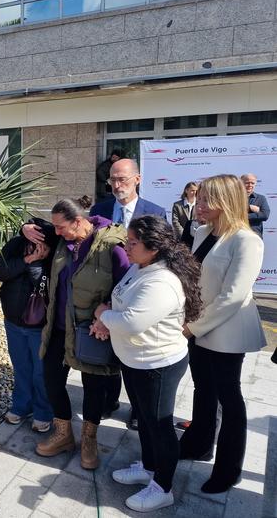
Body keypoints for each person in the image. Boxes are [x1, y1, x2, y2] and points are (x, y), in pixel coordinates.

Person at [93, 216, 203, 512]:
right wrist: (108, 319)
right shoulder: (140, 266)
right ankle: (150, 467)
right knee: (144, 419)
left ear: (153, 247)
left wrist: (103, 315)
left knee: (160, 426)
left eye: (132, 243)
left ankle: (162, 487)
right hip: (136, 361)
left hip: (157, 365)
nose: (125, 247)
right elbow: (123, 304)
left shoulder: (162, 281)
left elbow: (131, 322)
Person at [178, 174, 266, 494]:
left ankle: (229, 470)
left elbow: (233, 296)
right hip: (199, 328)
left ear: (225, 202)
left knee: (229, 400)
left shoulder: (247, 241)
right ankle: (198, 444)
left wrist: (192, 327)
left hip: (226, 332)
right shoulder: (203, 231)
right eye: (198, 199)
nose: (198, 206)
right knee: (203, 390)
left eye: (205, 200)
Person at [33, 197, 129, 470]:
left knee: (93, 387)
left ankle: (89, 438)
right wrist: (25, 229)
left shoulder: (112, 245)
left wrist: (108, 313)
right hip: (59, 327)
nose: (57, 232)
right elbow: (33, 228)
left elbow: (127, 286)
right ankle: (63, 433)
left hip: (91, 331)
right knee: (51, 379)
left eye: (61, 227)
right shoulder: (64, 240)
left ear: (78, 221)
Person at [89, 157, 167, 429]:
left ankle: (137, 408)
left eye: (122, 179)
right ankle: (109, 400)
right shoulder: (98, 210)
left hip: (141, 294)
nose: (116, 185)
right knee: (106, 348)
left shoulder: (155, 212)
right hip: (106, 291)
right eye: (112, 179)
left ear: (137, 179)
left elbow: (164, 256)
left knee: (135, 351)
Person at [0, 218, 59, 432]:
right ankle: (21, 406)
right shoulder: (16, 244)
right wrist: (28, 259)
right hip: (13, 320)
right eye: (29, 233)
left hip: (40, 325)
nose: (33, 240)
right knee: (21, 367)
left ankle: (43, 411)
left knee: (40, 371)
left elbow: (50, 286)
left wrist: (40, 262)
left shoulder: (56, 250)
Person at [241, 173, 270, 238]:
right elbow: (230, 214)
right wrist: (250, 208)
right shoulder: (233, 198)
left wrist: (242, 216)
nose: (250, 185)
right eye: (247, 183)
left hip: (255, 236)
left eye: (252, 183)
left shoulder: (261, 198)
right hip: (236, 236)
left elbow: (265, 215)